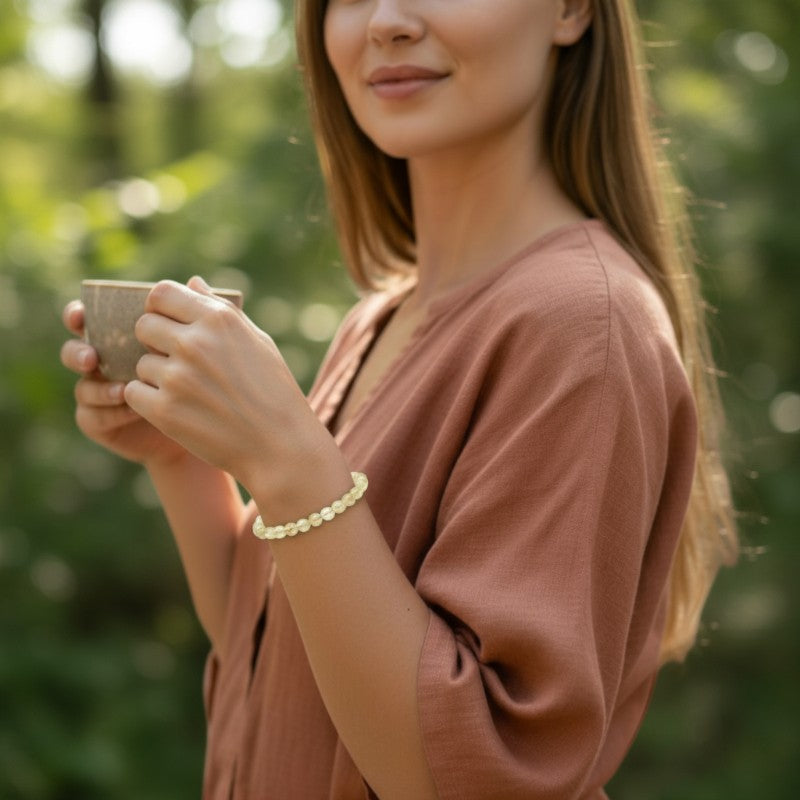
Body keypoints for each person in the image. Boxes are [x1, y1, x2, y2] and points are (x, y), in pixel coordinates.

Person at [61, 0, 739, 797]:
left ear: (568, 10)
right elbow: (278, 653)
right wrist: (179, 456)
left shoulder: (581, 322)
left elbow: (481, 772)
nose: (385, 20)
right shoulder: (386, 311)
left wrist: (288, 460)